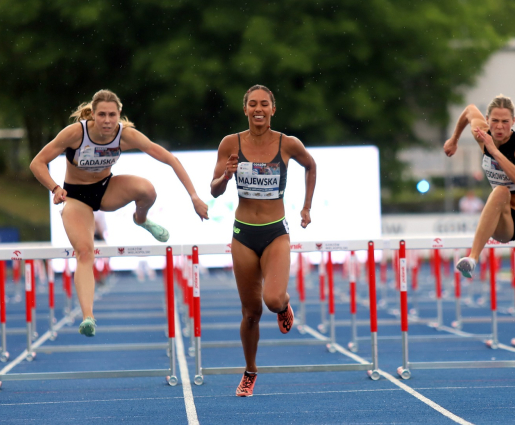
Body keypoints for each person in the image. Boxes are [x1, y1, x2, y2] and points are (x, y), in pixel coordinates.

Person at [30, 89, 209, 337]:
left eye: (111, 115)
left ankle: (141, 219)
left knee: (147, 190)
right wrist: (55, 187)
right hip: (75, 197)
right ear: (92, 114)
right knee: (85, 251)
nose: (106, 120)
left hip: (106, 190)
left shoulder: (126, 135)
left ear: (119, 114)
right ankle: (88, 317)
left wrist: (194, 196)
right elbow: (36, 162)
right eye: (101, 115)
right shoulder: (75, 133)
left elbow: (170, 159)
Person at [211, 85, 317, 397]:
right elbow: (215, 190)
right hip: (243, 234)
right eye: (253, 104)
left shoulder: (287, 143)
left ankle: (284, 305)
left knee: (272, 300)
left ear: (273, 109)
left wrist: (307, 206)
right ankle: (250, 371)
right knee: (250, 312)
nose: (259, 109)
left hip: (275, 233)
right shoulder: (231, 143)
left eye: (265, 104)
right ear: (245, 110)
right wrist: (225, 177)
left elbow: (311, 166)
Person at [444, 95, 515, 384]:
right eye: (495, 121)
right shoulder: (482, 131)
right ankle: (472, 258)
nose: (500, 127)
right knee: (501, 192)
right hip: (503, 220)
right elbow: (467, 110)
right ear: (488, 122)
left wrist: (493, 149)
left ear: (513, 122)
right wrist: (454, 139)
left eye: (505, 122)